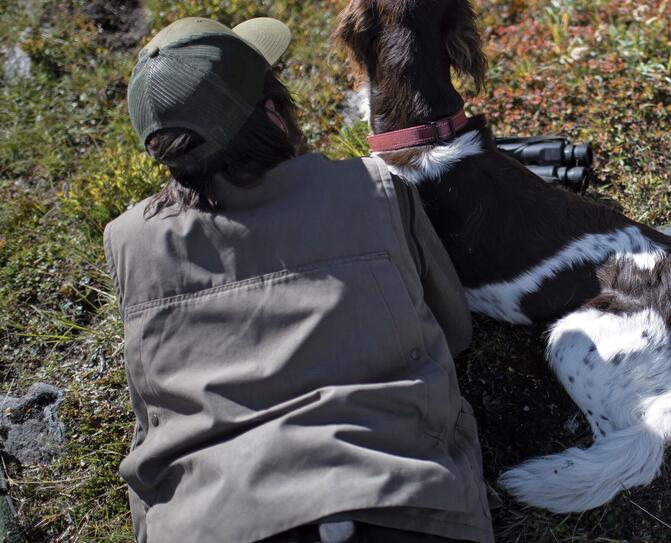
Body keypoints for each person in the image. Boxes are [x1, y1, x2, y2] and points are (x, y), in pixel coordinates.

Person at [104, 16, 493, 543]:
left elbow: (150, 410)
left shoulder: (129, 241)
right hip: (400, 501)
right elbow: (454, 330)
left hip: (210, 521)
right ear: (274, 115)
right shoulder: (372, 186)